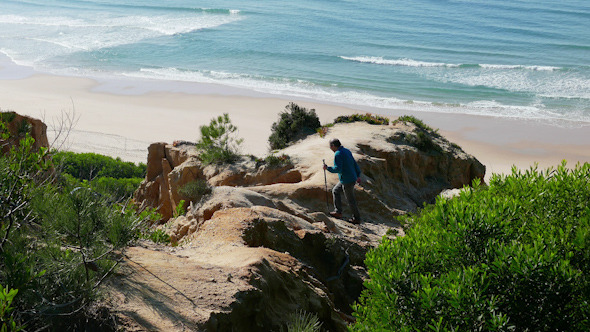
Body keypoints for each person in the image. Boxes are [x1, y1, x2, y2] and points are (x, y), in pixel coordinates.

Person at [323, 138, 362, 224]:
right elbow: (354, 163)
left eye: (330, 146)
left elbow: (337, 169)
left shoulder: (338, 154)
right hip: (350, 178)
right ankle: (338, 212)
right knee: (335, 191)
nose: (330, 148)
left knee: (350, 200)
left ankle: (357, 218)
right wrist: (358, 175)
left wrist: (327, 168)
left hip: (347, 180)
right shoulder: (346, 151)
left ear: (333, 146)